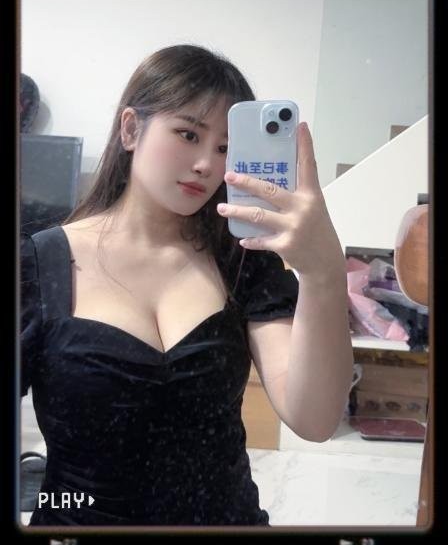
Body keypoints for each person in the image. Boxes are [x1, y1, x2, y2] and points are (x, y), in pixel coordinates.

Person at [21, 44, 354, 527]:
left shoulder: (244, 261)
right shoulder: (38, 265)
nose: (206, 164)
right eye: (188, 134)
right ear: (131, 129)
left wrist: (325, 273)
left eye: (224, 148)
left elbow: (315, 419)